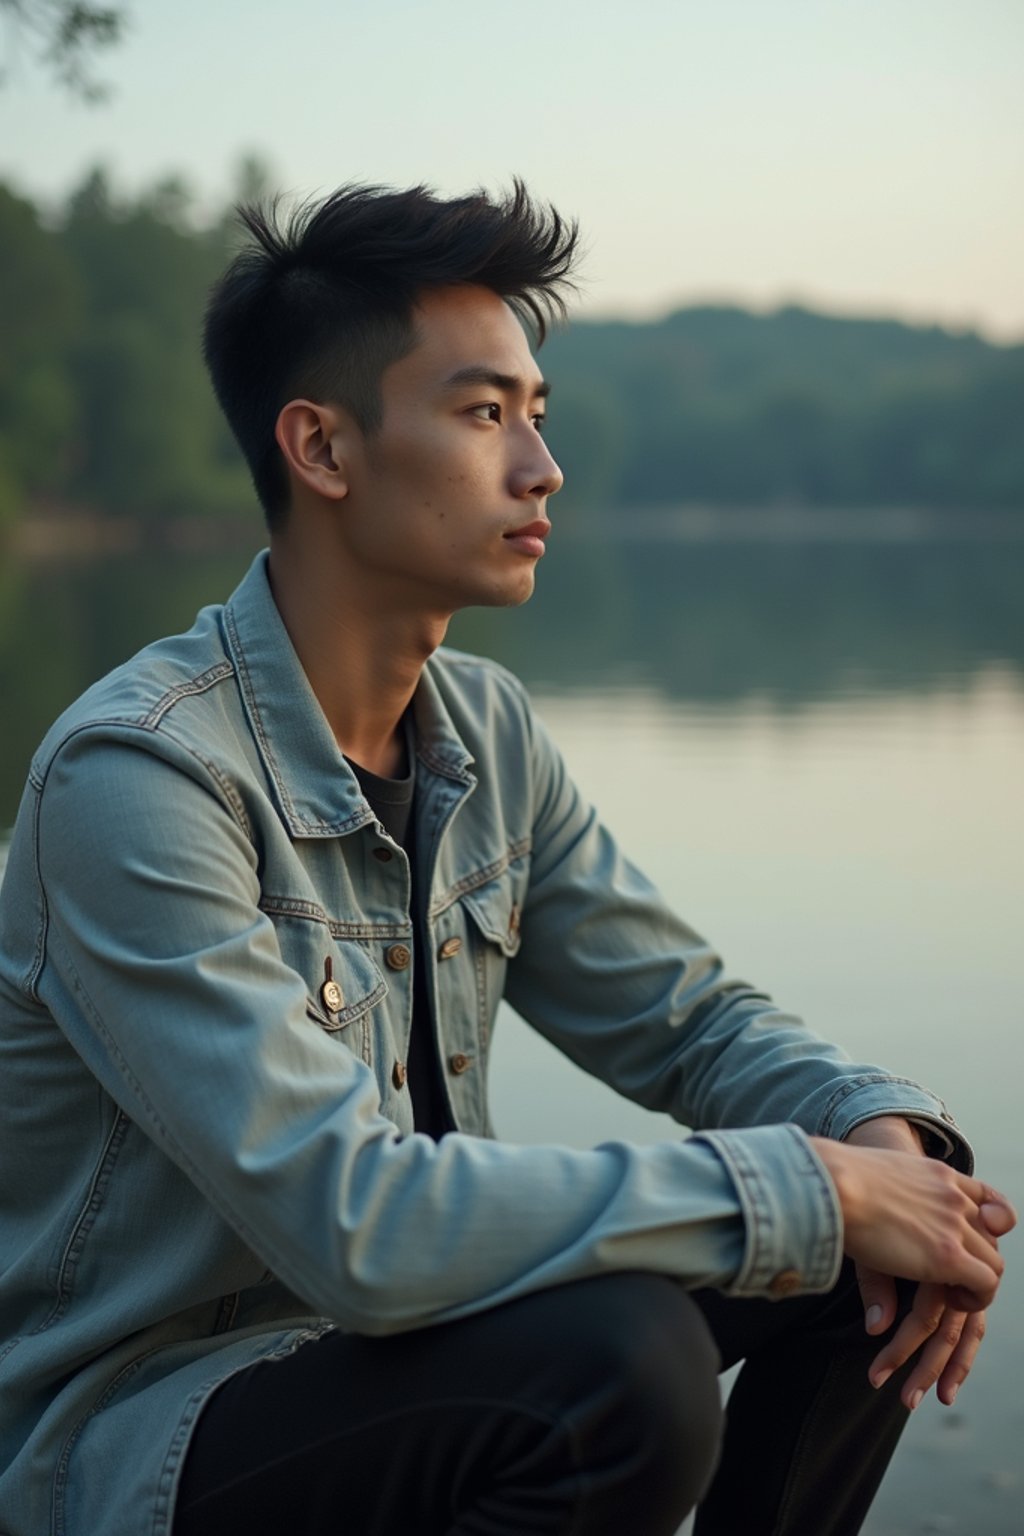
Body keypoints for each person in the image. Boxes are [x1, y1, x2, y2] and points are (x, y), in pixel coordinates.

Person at [0, 180, 1014, 1536]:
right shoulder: (137, 778)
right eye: (485, 415)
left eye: (538, 413)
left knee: (863, 1257)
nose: (541, 468)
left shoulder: (486, 732)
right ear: (323, 448)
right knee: (624, 1375)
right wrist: (818, 1186)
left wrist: (884, 1147)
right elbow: (351, 1221)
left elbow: (688, 1019)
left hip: (407, 1347)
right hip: (151, 1430)